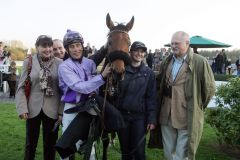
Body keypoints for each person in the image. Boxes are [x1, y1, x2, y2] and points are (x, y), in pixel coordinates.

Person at [157, 31, 215, 160]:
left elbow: (209, 89)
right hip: (166, 114)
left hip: (186, 114)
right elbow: (159, 83)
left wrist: (197, 106)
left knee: (182, 155)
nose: (173, 46)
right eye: (172, 43)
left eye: (176, 43)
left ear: (187, 43)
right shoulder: (166, 61)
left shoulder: (200, 61)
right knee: (168, 152)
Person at [57, 29, 111, 160]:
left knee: (90, 146)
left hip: (88, 109)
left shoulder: (90, 63)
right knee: (67, 147)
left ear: (82, 45)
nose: (76, 49)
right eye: (72, 47)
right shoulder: (64, 67)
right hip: (72, 109)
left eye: (78, 45)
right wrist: (102, 77)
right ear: (67, 49)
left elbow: (94, 86)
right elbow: (79, 86)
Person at [16, 35, 63, 160]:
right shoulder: (29, 62)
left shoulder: (60, 63)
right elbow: (20, 87)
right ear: (37, 47)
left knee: (51, 146)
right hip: (32, 109)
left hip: (52, 110)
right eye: (44, 46)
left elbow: (63, 90)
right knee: (30, 145)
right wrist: (22, 108)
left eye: (49, 46)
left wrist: (60, 111)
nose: (47, 49)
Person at [116, 41, 157, 160]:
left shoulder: (149, 73)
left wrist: (151, 119)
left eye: (142, 51)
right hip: (123, 116)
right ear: (130, 52)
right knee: (125, 151)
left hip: (140, 118)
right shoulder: (121, 71)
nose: (139, 54)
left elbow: (151, 97)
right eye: (136, 50)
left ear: (144, 54)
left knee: (139, 151)